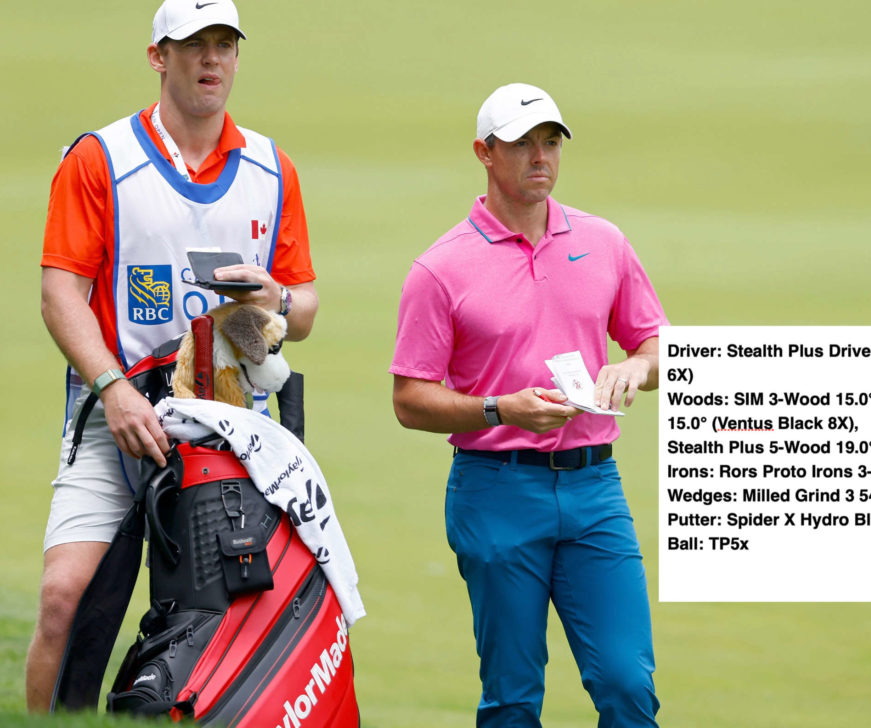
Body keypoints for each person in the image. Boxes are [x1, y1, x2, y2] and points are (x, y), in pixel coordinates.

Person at [28, 0, 318, 711]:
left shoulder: (269, 169)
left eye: (224, 44)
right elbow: (59, 293)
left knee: (223, 630)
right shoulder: (101, 158)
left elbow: (303, 310)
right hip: (115, 415)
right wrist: (115, 389)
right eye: (193, 46)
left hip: (228, 433)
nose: (210, 59)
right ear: (159, 57)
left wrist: (275, 299)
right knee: (66, 599)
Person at [390, 82, 666, 727]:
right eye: (522, 146)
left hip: (595, 486)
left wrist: (637, 365)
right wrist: (499, 410)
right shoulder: (440, 269)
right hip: (496, 490)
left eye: (550, 142)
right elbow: (409, 399)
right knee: (513, 696)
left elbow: (655, 342)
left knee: (628, 684)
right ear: (485, 153)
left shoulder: (603, 242)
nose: (540, 157)